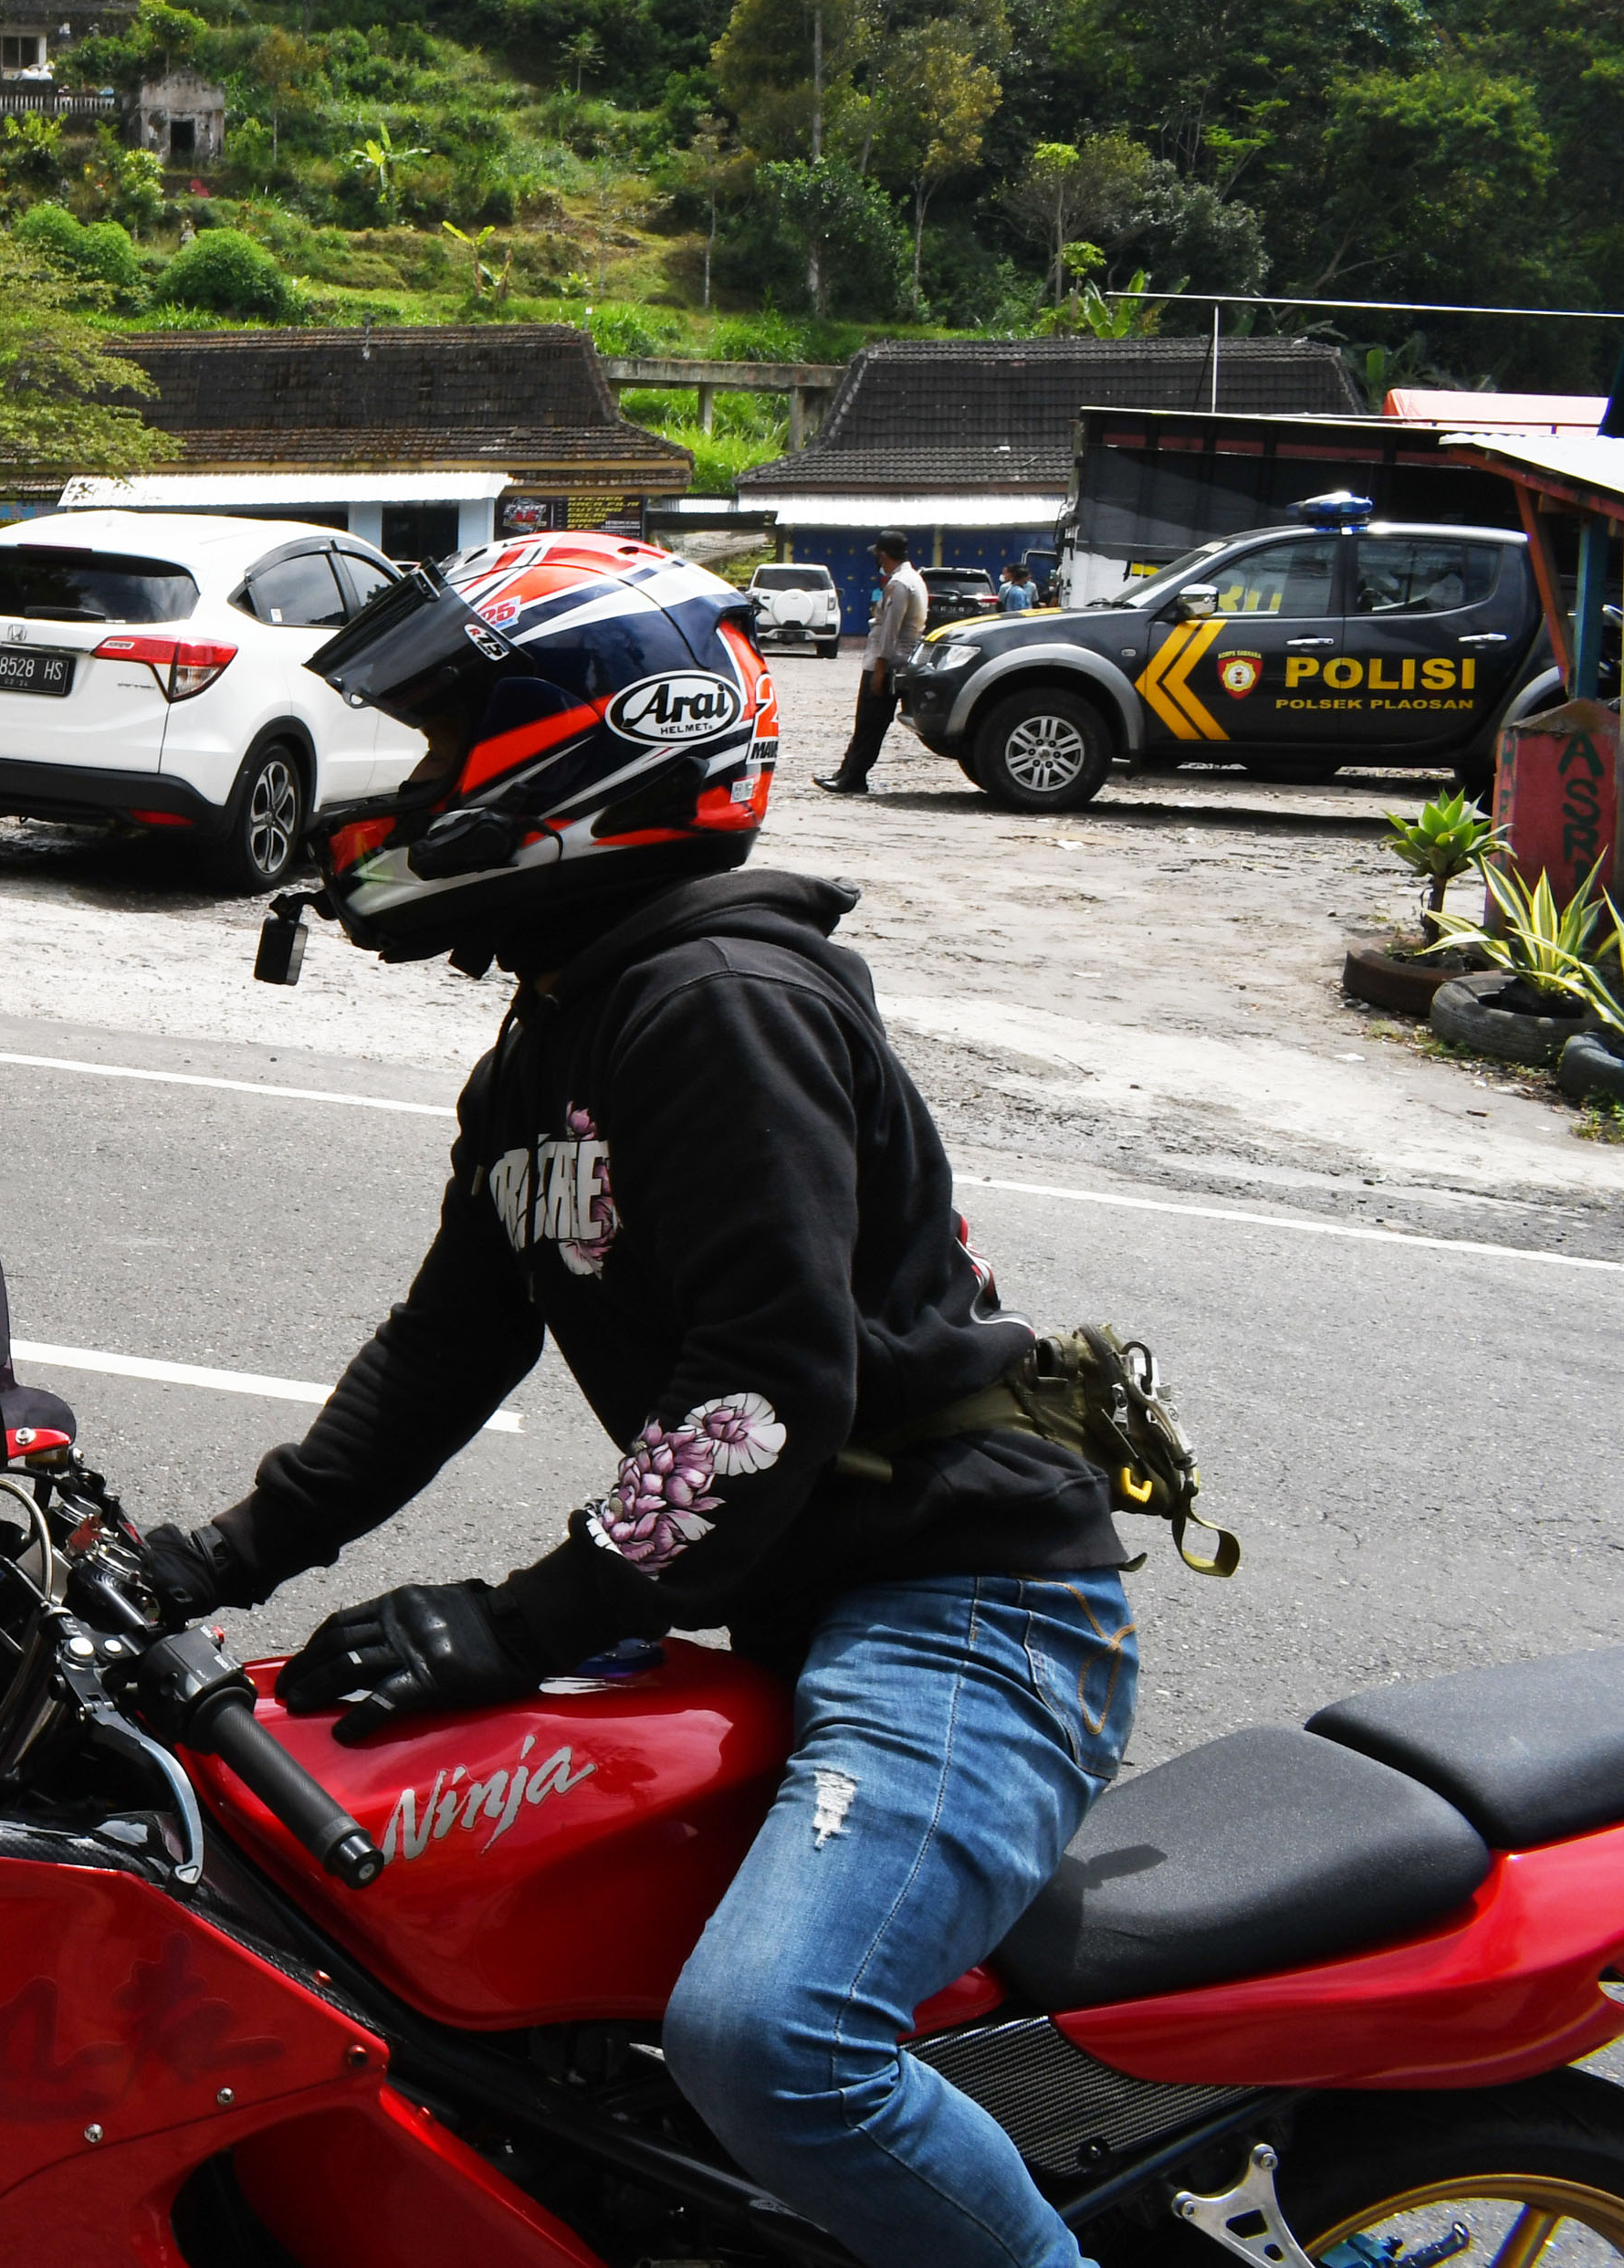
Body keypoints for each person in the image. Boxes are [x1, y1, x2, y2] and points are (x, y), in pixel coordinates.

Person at [148, 535, 1137, 2268]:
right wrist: (211, 1556)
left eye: (455, 743)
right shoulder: (557, 1037)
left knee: (773, 2041)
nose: (419, 786)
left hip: (962, 1613)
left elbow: (765, 1386)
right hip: (797, 1603)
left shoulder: (716, 1002)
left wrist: (521, 1618)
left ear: (590, 748)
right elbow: (447, 1348)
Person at [818, 528, 925, 796]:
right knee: (865, 723)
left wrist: (879, 669)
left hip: (887, 662)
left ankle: (854, 777)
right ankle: (846, 771)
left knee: (870, 724)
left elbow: (890, 629)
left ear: (883, 554)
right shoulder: (913, 578)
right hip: (893, 658)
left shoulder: (899, 584)